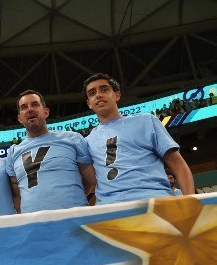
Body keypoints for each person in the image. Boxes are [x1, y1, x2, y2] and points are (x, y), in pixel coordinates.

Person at [83, 73, 194, 204]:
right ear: (89, 103)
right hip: (110, 210)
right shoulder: (87, 142)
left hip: (155, 201)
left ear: (117, 95)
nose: (98, 95)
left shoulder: (146, 121)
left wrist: (191, 203)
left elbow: (176, 163)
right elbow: (90, 182)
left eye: (104, 89)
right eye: (92, 93)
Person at [6, 90, 96, 213]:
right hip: (33, 224)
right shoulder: (12, 152)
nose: (30, 109)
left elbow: (90, 181)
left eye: (35, 104)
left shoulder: (72, 138)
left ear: (46, 112)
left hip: (75, 218)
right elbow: (17, 196)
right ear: (20, 118)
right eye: (24, 107)